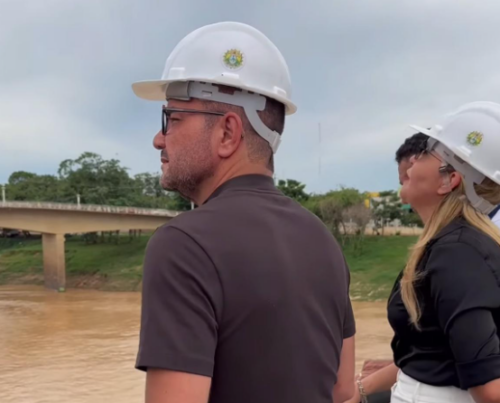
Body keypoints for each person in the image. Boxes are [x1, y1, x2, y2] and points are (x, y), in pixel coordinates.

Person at [131, 21, 356, 403]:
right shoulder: (322, 239)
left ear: (228, 133)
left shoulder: (184, 245)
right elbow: (343, 388)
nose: (159, 138)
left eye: (172, 118)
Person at [347, 101, 500, 403]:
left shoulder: (458, 253)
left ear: (449, 179)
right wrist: (361, 390)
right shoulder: (453, 245)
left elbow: (489, 388)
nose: (413, 160)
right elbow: (434, 355)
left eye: (427, 151)